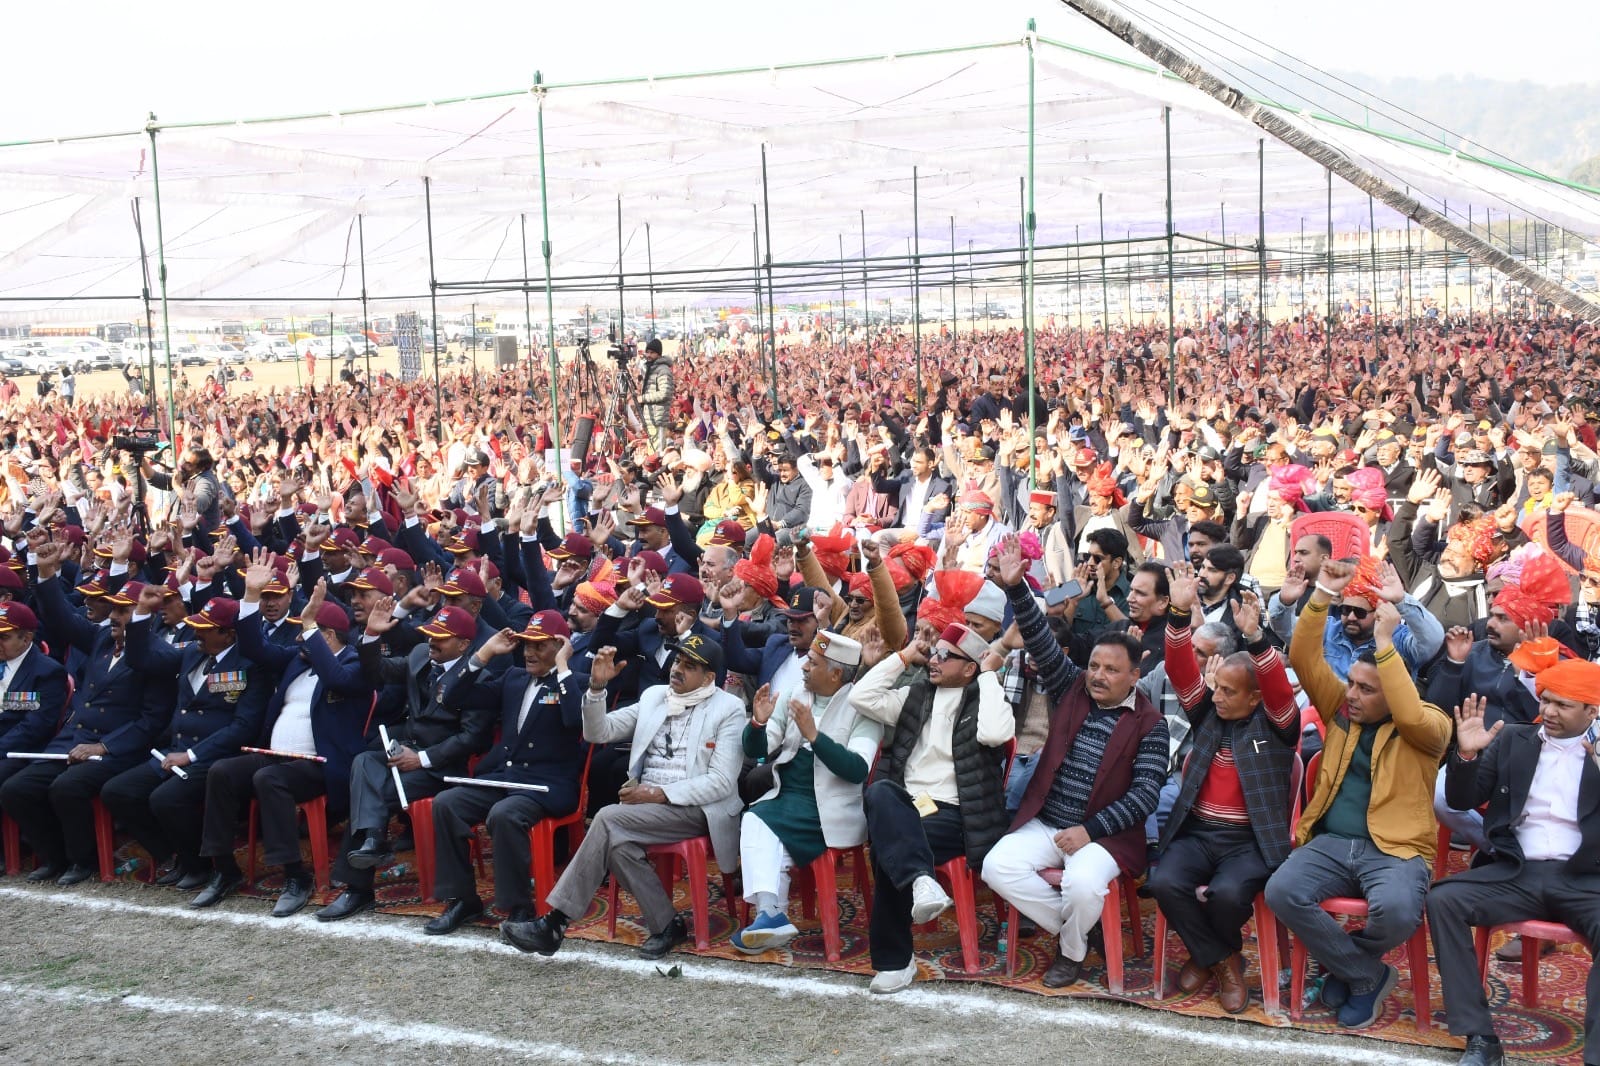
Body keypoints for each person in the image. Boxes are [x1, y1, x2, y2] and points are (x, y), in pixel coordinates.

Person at [1264, 558, 1452, 1029]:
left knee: (1398, 911)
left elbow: (1408, 716)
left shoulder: (1430, 726)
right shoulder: (1342, 712)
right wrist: (1323, 592)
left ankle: (1344, 967)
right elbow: (1306, 658)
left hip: (1396, 850)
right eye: (1351, 683)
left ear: (1394, 689)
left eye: (1366, 689)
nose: (1350, 694)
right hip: (1329, 842)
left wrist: (1386, 644)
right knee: (1282, 891)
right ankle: (1366, 974)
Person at [984, 534, 1167, 989]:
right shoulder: (1073, 688)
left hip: (1103, 836)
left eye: (1110, 670)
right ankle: (1082, 937)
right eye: (1095, 666)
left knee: (1084, 886)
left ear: (1133, 675)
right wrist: (1015, 590)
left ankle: (1068, 953)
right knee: (996, 867)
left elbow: (1145, 796)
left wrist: (1090, 831)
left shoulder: (1150, 723)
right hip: (1048, 821)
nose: (1098, 675)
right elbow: (1043, 644)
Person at [500, 634, 744, 960]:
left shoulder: (729, 709)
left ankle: (555, 922)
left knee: (607, 818)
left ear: (709, 677)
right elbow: (598, 732)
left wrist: (660, 794)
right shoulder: (656, 696)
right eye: (676, 661)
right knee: (618, 843)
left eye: (689, 666)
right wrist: (597, 690)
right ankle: (667, 924)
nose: (677, 670)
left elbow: (721, 782)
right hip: (646, 807)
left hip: (697, 807)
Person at [1424, 659, 1600, 1066]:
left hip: (1584, 877)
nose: (1549, 712)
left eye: (1563, 705)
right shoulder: (1513, 739)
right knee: (1442, 901)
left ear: (1592, 711)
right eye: (1546, 700)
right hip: (1517, 871)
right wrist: (1465, 756)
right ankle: (1481, 1038)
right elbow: (1461, 801)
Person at [1147, 570, 1298, 1013]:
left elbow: (1277, 688)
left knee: (1230, 895)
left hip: (1247, 843)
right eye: (1217, 688)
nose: (1216, 697)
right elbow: (1178, 668)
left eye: (1229, 692)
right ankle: (1225, 961)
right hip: (1197, 834)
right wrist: (1177, 615)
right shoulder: (1208, 714)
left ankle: (1205, 956)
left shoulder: (1277, 727)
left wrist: (1255, 638)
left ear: (1255, 698)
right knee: (1163, 881)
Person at [850, 618, 1014, 994]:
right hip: (906, 805)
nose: (935, 659)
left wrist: (989, 677)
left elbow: (995, 734)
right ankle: (922, 882)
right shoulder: (918, 694)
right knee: (880, 794)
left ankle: (895, 962)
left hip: (958, 815)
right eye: (934, 652)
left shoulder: (984, 696)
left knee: (890, 843)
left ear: (970, 667)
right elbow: (861, 698)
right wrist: (905, 656)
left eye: (946, 655)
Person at [421, 612, 586, 933]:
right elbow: (451, 698)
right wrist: (483, 654)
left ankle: (518, 906)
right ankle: (462, 899)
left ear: (560, 645)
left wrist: (565, 666)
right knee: (445, 803)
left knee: (504, 814)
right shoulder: (513, 678)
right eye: (526, 644)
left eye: (538, 645)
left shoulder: (575, 681)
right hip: (506, 777)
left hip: (546, 786)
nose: (528, 652)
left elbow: (575, 723)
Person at [323, 603, 496, 909]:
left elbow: (472, 739)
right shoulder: (420, 656)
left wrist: (422, 758)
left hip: (440, 769)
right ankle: (374, 840)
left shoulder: (477, 677)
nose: (432, 641)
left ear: (464, 644)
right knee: (363, 761)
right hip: (403, 752)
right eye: (430, 634)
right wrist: (372, 635)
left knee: (370, 791)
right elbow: (377, 671)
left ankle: (358, 887)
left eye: (441, 637)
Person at [99, 586, 273, 891]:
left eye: (205, 629)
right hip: (176, 748)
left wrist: (192, 756)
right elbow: (142, 658)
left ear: (229, 635)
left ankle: (200, 865)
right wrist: (141, 615)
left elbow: (243, 726)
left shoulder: (250, 665)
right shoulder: (192, 651)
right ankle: (173, 855)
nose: (196, 633)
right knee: (118, 791)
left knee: (166, 799)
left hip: (215, 756)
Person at [733, 631, 879, 952]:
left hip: (831, 809)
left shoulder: (863, 707)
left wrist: (815, 736)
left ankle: (771, 915)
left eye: (812, 663)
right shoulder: (795, 694)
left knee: (763, 826)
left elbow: (857, 769)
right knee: (755, 818)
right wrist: (757, 724)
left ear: (835, 673)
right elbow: (761, 749)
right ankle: (770, 915)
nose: (803, 668)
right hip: (787, 796)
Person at [639, 337, 674, 452]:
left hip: (657, 418)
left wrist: (643, 398)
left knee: (657, 452)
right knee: (651, 451)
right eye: (647, 352)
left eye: (652, 352)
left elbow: (664, 393)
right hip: (651, 418)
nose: (648, 355)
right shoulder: (651, 369)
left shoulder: (663, 370)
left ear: (658, 354)